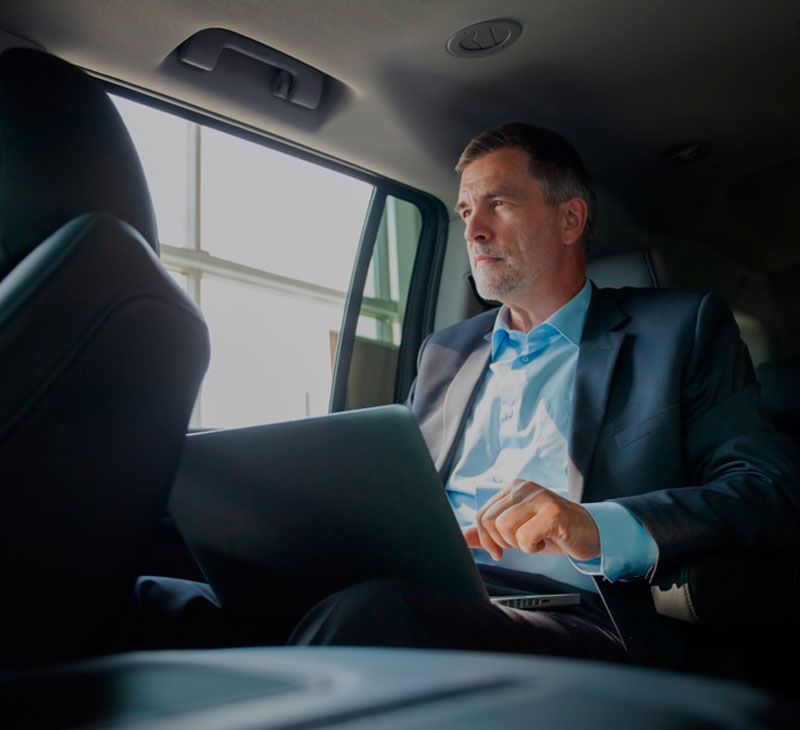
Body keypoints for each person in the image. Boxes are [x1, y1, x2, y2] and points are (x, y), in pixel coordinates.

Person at [288, 123, 800, 668]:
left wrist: (595, 524)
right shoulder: (445, 352)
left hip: (587, 618)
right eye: (465, 212)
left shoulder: (680, 330)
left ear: (570, 219)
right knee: (202, 601)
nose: (474, 230)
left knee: (370, 616)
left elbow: (769, 491)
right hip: (440, 588)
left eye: (498, 204)